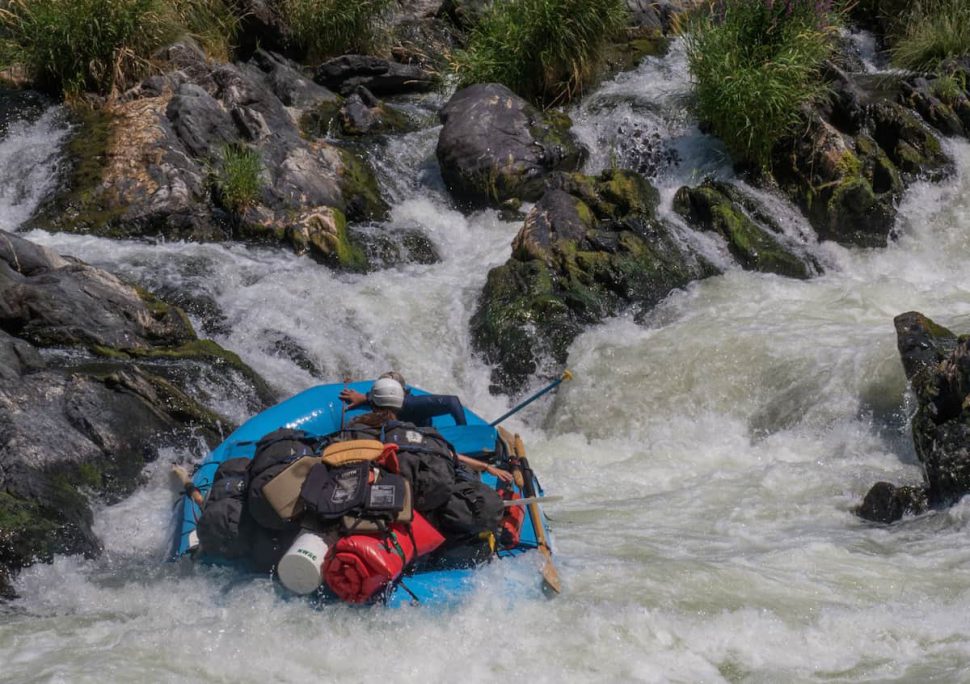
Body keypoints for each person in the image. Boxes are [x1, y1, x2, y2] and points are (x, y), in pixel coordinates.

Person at [349, 377, 511, 483]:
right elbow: (448, 454)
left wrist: (463, 432)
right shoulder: (404, 430)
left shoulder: (359, 424)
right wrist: (487, 467)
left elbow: (452, 402)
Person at [339, 371, 467, 427]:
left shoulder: (413, 405)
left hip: (421, 430)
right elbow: (384, 398)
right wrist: (364, 398)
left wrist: (463, 431)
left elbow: (452, 401)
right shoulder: (380, 401)